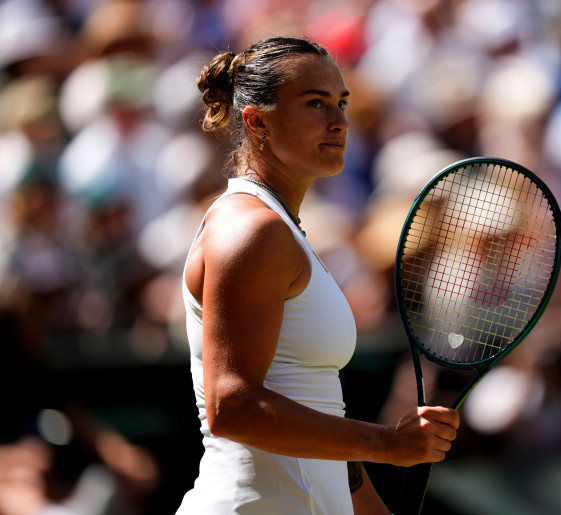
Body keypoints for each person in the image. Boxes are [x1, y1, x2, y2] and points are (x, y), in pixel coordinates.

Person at [176, 36, 460, 514]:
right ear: (257, 121)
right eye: (315, 103)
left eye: (342, 103)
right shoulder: (253, 229)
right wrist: (386, 443)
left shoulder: (279, 228)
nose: (340, 122)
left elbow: (321, 415)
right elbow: (233, 407)